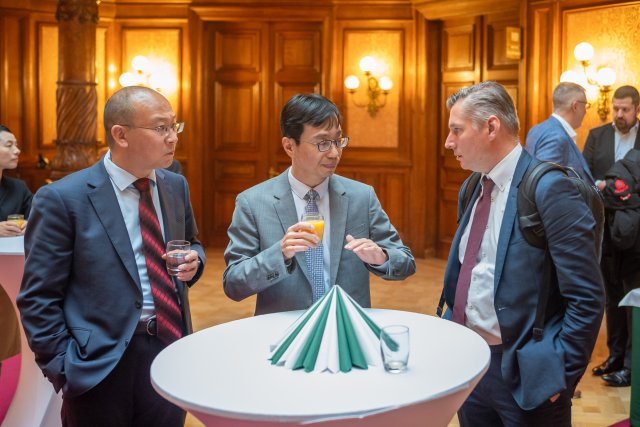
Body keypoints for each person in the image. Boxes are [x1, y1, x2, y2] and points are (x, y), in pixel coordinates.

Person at [17, 86, 206, 427]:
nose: (173, 137)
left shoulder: (175, 186)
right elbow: (38, 297)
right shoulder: (63, 198)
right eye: (160, 127)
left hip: (168, 348)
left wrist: (195, 260)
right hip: (99, 363)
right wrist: (65, 368)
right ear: (121, 135)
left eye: (174, 126)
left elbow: (192, 243)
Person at [442, 81, 604, 426]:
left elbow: (586, 295)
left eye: (456, 130)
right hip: (471, 365)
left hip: (527, 371)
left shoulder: (549, 188)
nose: (448, 142)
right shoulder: (472, 187)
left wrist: (560, 375)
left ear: (491, 127)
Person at [223, 93, 415, 315]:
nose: (334, 153)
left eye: (338, 141)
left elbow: (405, 263)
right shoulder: (252, 202)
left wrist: (381, 257)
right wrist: (280, 254)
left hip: (345, 325)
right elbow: (233, 284)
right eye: (322, 143)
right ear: (289, 146)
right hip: (285, 329)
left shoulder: (362, 197)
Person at [583, 85, 640, 387]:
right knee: (612, 295)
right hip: (604, 230)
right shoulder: (597, 136)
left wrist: (616, 194)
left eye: (625, 109)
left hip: (636, 234)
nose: (619, 114)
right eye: (616, 108)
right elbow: (586, 180)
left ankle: (631, 365)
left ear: (637, 109)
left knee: (634, 299)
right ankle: (615, 356)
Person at [525, 82, 595, 185]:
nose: (585, 111)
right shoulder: (556, 137)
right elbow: (546, 185)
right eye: (585, 105)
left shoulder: (536, 129)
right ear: (575, 106)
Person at [0, 124, 32, 237]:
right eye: (9, 145)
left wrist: (31, 224)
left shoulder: (19, 188)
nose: (17, 151)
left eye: (16, 145)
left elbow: (39, 217)